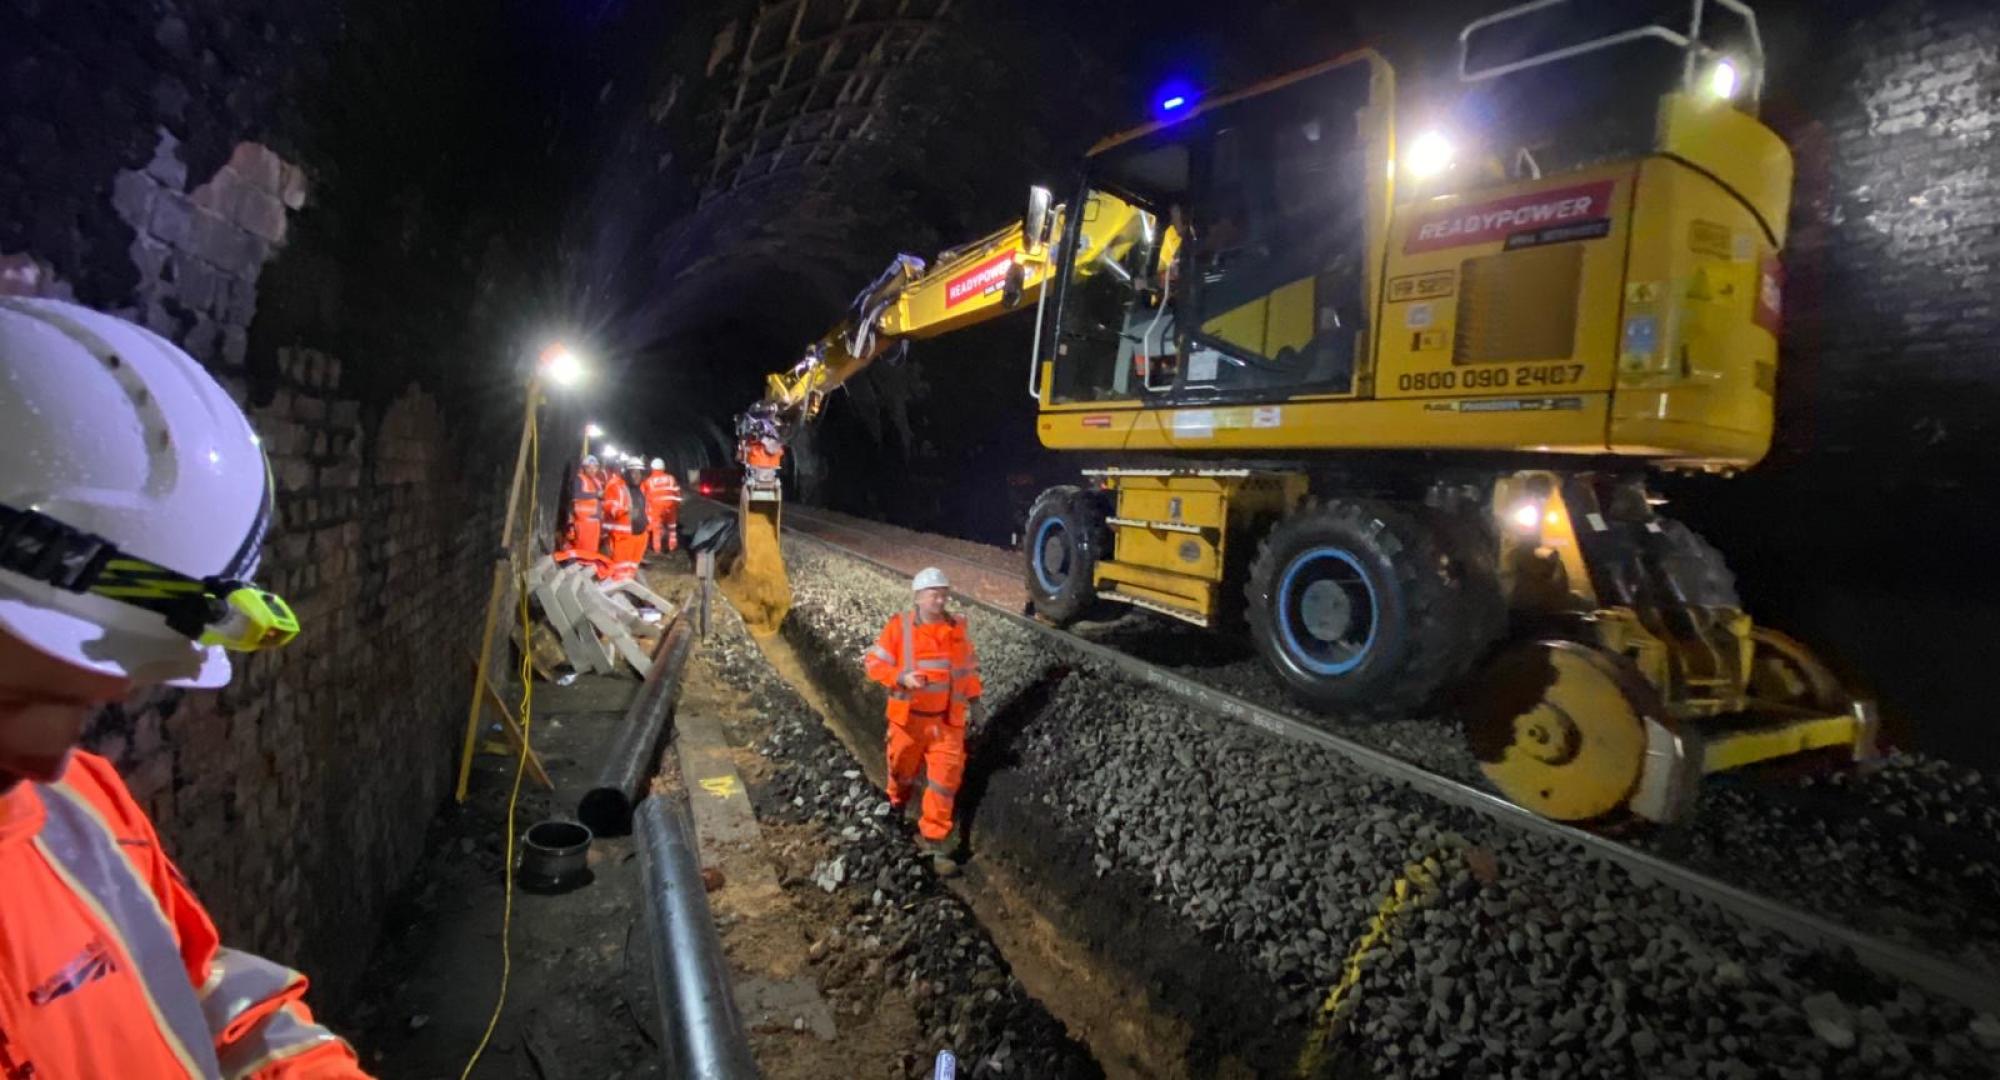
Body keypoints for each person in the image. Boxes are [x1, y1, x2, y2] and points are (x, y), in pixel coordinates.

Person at [0, 297, 369, 1077]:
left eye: (93, 703)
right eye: (15, 701)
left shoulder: (79, 807)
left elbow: (195, 989)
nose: (45, 761)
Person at [861, 568, 981, 876]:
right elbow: (873, 663)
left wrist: (976, 702)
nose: (939, 600)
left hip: (946, 724)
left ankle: (935, 845)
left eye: (943, 594)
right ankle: (896, 807)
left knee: (944, 783)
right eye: (933, 594)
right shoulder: (899, 628)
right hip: (908, 722)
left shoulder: (956, 630)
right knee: (901, 770)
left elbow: (967, 670)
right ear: (918, 597)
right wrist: (901, 677)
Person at [564, 454, 605, 558]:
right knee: (583, 549)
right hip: (584, 521)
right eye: (589, 467)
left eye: (595, 467)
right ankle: (581, 568)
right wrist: (596, 494)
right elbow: (575, 495)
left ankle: (588, 569)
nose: (592, 470)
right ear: (584, 468)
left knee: (592, 550)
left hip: (595, 521)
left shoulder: (596, 482)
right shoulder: (579, 479)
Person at [640, 458, 681, 554]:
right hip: (671, 506)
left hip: (656, 507)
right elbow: (677, 493)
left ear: (652, 468)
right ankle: (672, 546)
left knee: (656, 528)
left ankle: (657, 549)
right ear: (664, 467)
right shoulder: (671, 478)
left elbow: (642, 495)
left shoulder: (648, 481)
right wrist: (677, 505)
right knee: (672, 528)